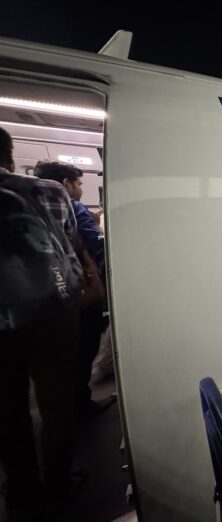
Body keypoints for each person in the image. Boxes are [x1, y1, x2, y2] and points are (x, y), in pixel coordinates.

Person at [0, 126, 84, 519]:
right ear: (9, 154)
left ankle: (21, 491)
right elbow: (68, 238)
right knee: (57, 403)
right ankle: (59, 485)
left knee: (7, 408)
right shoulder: (46, 190)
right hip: (51, 311)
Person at [34, 161, 113, 420]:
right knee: (84, 347)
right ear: (66, 184)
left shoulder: (30, 204)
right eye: (78, 183)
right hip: (78, 289)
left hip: (44, 292)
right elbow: (97, 243)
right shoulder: (74, 207)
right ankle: (81, 405)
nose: (80, 188)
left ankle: (62, 408)